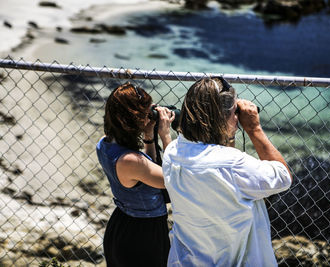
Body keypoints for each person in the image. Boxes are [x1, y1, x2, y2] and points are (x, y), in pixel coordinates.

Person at [162, 77, 292, 266]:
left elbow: (216, 157)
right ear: (220, 119)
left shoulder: (172, 153)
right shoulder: (233, 165)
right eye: (234, 113)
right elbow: (283, 176)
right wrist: (254, 128)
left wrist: (227, 130)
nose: (237, 118)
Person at [96, 82, 175, 267]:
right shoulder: (130, 161)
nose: (148, 118)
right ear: (130, 119)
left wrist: (148, 136)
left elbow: (147, 170)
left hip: (122, 225)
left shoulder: (104, 144)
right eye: (145, 114)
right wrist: (165, 135)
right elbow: (172, 179)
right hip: (142, 236)